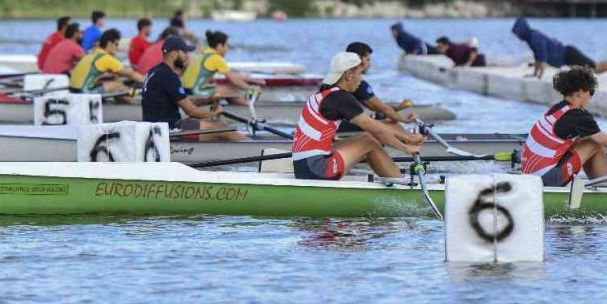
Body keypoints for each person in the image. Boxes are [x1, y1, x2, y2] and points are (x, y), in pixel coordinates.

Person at [291, 52, 425, 180]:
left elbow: (375, 127)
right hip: (316, 169)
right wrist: (406, 147)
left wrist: (405, 138)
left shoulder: (323, 94)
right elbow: (376, 129)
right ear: (348, 75)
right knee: (368, 140)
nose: (361, 79)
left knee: (363, 137)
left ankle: (391, 177)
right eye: (360, 73)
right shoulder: (341, 97)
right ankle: (402, 187)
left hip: (302, 166)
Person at [520, 66, 607, 186]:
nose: (590, 97)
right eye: (590, 92)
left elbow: (575, 143)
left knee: (587, 141)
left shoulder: (556, 110)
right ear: (580, 92)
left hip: (530, 180)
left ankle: (598, 185)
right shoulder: (579, 117)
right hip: (546, 180)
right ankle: (605, 192)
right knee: (595, 143)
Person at [142, 37, 242, 140]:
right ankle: (254, 149)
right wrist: (214, 113)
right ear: (173, 54)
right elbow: (191, 111)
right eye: (184, 52)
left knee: (216, 124)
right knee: (223, 129)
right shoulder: (169, 76)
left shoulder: (155, 71)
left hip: (157, 126)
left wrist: (208, 100)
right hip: (168, 129)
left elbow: (184, 101)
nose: (187, 56)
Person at [511, 17, 607, 78]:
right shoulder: (530, 38)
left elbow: (542, 58)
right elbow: (538, 58)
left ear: (522, 31)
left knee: (596, 68)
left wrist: (539, 76)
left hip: (569, 55)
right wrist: (534, 74)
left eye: (516, 33)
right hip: (567, 58)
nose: (516, 36)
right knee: (594, 69)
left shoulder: (535, 38)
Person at [182, 30, 266, 105]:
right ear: (219, 46)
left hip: (186, 90)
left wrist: (254, 80)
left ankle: (237, 103)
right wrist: (250, 88)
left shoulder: (202, 53)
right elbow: (235, 81)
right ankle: (246, 104)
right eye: (226, 45)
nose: (227, 49)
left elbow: (232, 75)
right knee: (229, 90)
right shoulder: (216, 58)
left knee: (228, 89)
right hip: (195, 92)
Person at [344, 42, 418, 125]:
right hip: (343, 126)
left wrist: (398, 108)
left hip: (342, 122)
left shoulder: (342, 77)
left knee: (385, 122)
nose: (370, 64)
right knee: (392, 125)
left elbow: (374, 107)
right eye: (367, 60)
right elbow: (380, 107)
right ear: (358, 60)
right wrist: (405, 120)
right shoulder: (357, 83)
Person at [69, 29, 145, 94]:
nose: (117, 47)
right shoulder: (106, 58)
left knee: (113, 80)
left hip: (73, 90)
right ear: (109, 44)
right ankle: (131, 100)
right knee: (118, 85)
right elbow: (131, 74)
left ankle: (126, 100)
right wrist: (148, 82)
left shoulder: (94, 53)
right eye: (116, 44)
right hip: (83, 93)